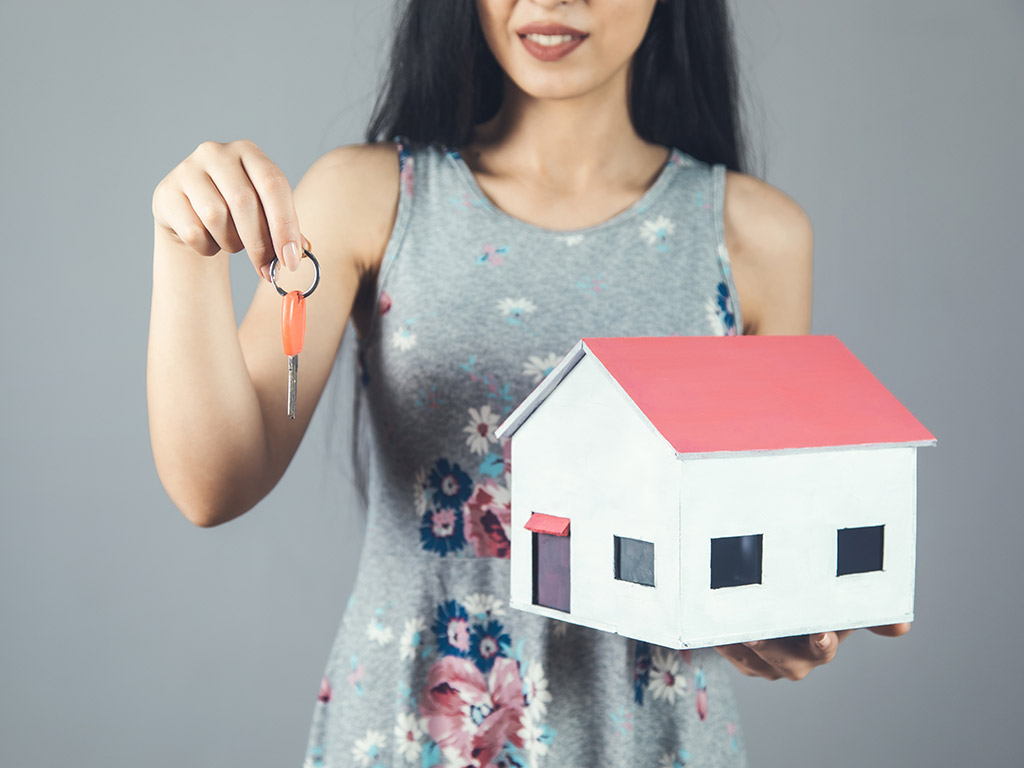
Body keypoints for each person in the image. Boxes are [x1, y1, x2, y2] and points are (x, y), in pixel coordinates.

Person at [148, 0, 909, 765]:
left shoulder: (756, 238)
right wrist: (185, 249)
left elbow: (761, 543)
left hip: (646, 740)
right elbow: (213, 485)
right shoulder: (365, 198)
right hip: (413, 730)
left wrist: (782, 619)